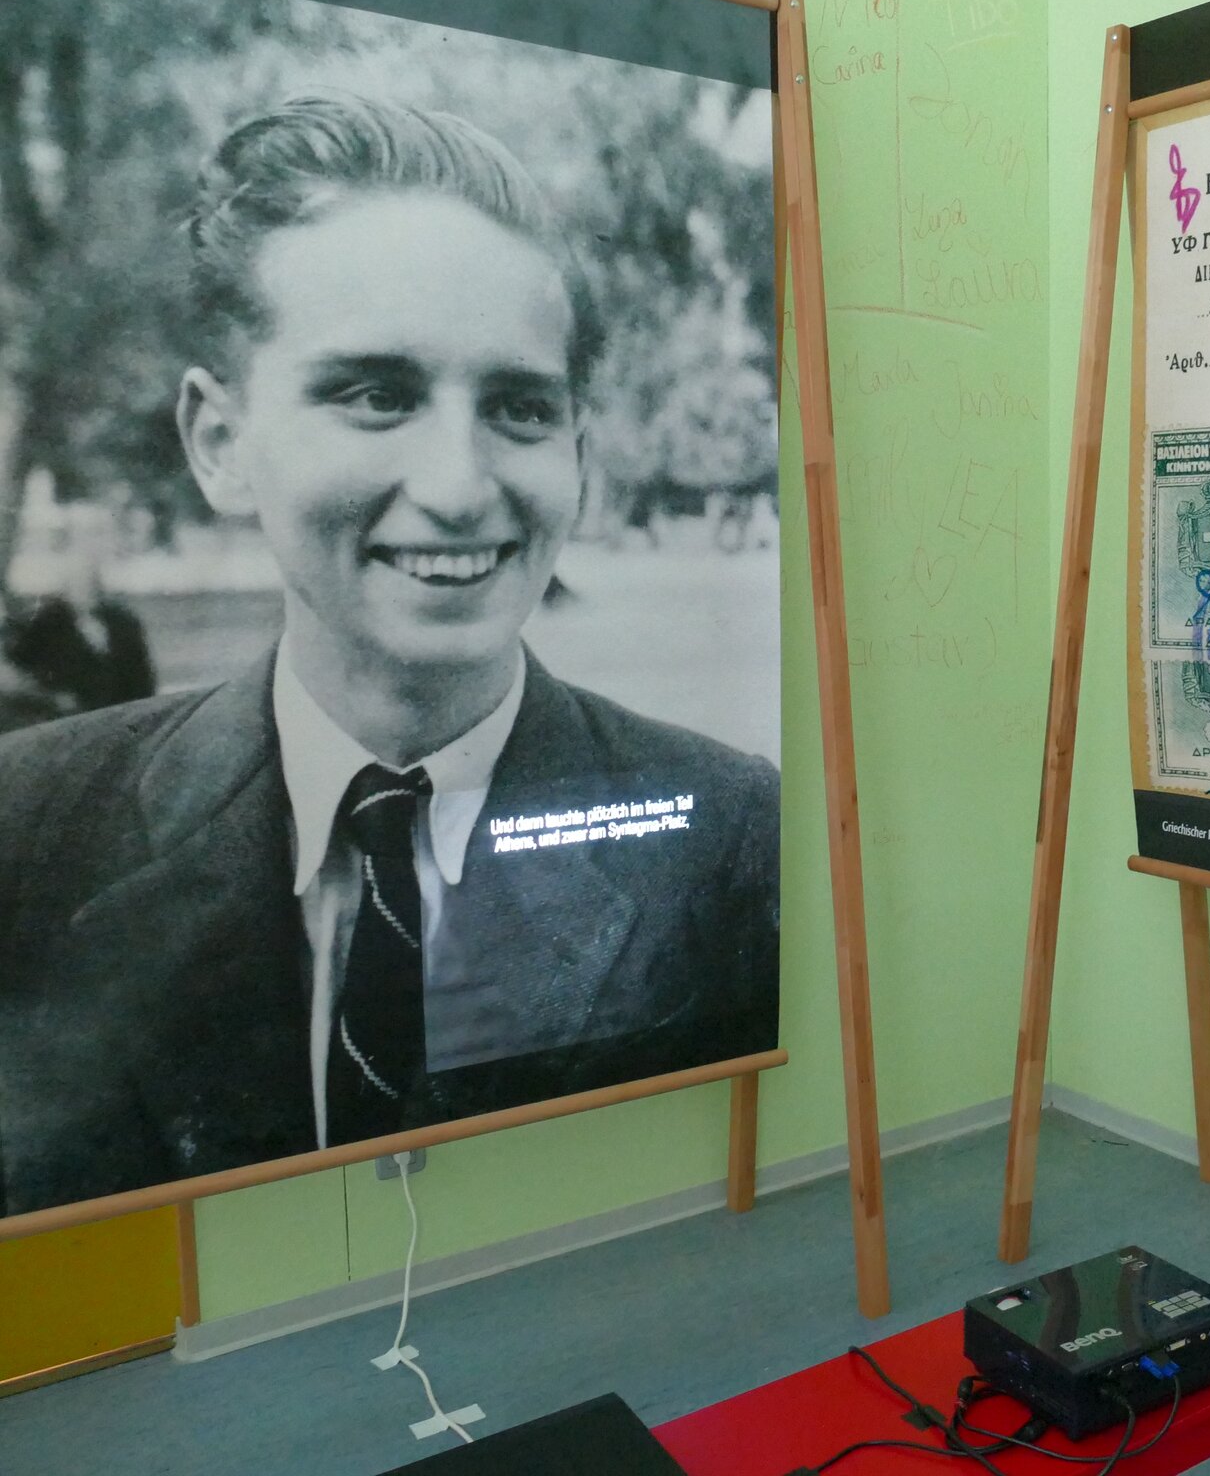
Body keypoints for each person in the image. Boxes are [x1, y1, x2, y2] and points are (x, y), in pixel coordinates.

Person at [0, 93, 780, 1218]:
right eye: (376, 395)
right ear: (219, 443)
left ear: (578, 454)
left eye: (516, 406)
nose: (459, 488)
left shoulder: (739, 841)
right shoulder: (30, 833)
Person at [9, 503, 156, 714]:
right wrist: (53, 699)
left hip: (124, 720)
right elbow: (20, 676)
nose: (87, 591)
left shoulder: (124, 624)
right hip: (69, 723)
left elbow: (145, 683)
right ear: (66, 588)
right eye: (79, 585)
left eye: (92, 583)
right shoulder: (45, 625)